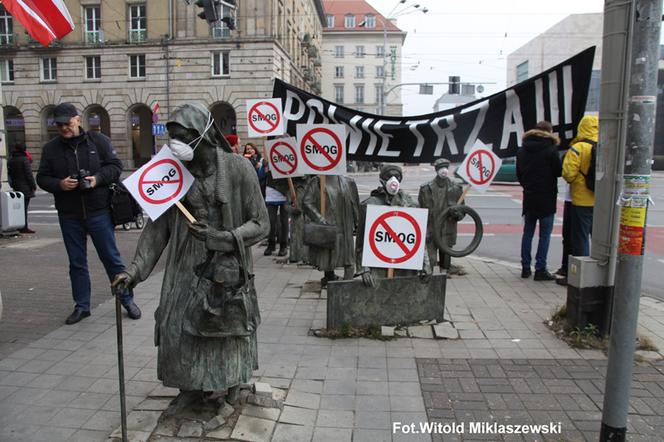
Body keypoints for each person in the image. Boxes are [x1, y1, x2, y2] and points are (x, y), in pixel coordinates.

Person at [112, 104, 269, 400]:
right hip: (183, 268)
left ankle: (231, 384)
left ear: (203, 136)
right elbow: (156, 230)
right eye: (172, 137)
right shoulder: (172, 173)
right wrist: (134, 271)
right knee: (176, 326)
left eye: (182, 137)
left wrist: (223, 238)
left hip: (226, 267)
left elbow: (261, 224)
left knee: (227, 325)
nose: (175, 144)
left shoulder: (238, 168)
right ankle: (191, 386)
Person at [36, 102, 141, 324]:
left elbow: (115, 166)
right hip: (69, 214)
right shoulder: (50, 149)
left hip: (99, 211)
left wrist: (96, 179)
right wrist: (59, 184)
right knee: (76, 263)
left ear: (77, 119)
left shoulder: (98, 141)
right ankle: (82, 306)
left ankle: (127, 300)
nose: (64, 127)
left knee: (112, 259)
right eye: (59, 124)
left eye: (67, 122)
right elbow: (42, 178)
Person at [357, 165, 429, 286]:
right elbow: (361, 241)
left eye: (397, 176)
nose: (393, 180)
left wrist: (425, 262)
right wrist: (364, 269)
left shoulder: (410, 204)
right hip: (378, 263)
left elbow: (418, 238)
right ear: (382, 180)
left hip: (405, 264)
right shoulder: (370, 205)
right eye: (389, 176)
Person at [516, 121, 562, 281]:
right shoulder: (551, 149)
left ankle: (525, 267)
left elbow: (519, 174)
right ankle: (540, 269)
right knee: (544, 235)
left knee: (527, 233)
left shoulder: (522, 150)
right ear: (549, 132)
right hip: (547, 197)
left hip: (529, 196)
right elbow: (558, 171)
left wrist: (528, 186)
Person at [302, 174, 359, 286]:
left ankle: (347, 283)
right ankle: (329, 277)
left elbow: (355, 204)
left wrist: (357, 222)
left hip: (345, 226)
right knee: (328, 255)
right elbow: (306, 202)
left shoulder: (349, 182)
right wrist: (319, 218)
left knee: (349, 258)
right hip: (329, 225)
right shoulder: (317, 181)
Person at [417, 158, 466, 275]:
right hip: (431, 227)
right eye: (440, 168)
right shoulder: (425, 189)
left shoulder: (456, 188)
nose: (444, 170)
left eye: (446, 168)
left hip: (447, 227)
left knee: (446, 254)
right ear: (436, 170)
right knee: (431, 254)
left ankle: (444, 272)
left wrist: (456, 214)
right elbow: (420, 210)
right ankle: (430, 272)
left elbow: (463, 211)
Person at [562, 115, 598, 258]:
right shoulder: (606, 146)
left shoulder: (578, 148)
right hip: (601, 201)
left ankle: (582, 275)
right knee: (599, 239)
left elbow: (568, 174)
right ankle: (599, 273)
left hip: (581, 200)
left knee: (580, 238)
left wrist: (577, 180)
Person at [7, 143, 37, 234]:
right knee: (24, 208)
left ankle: (18, 225)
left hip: (16, 186)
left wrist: (12, 184)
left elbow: (10, 173)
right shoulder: (24, 159)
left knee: (18, 208)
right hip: (25, 187)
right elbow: (29, 174)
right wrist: (33, 186)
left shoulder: (11, 159)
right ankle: (24, 227)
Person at [264, 167, 289, 257]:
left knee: (284, 221)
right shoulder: (268, 158)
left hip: (285, 188)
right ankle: (271, 244)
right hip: (271, 188)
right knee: (271, 220)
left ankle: (284, 245)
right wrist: (265, 169)